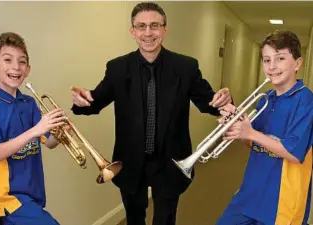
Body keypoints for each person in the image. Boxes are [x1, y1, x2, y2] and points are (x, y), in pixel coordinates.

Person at [71, 2, 232, 225]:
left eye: (154, 26)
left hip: (171, 162)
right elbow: (95, 103)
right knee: (134, 219)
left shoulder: (185, 67)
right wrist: (81, 102)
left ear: (165, 29)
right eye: (141, 26)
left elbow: (209, 102)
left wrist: (224, 101)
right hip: (129, 162)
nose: (148, 33)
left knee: (165, 219)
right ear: (133, 31)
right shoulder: (117, 68)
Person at [216, 30, 313, 225]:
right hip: (250, 192)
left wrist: (251, 132)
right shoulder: (266, 99)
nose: (272, 66)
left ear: (297, 63)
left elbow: (294, 153)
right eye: (266, 60)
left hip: (282, 200)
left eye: (280, 58)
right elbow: (252, 144)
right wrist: (237, 127)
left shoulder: (305, 99)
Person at [0, 32, 67, 225]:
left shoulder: (29, 103)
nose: (16, 67)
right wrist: (36, 129)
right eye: (7, 60)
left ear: (28, 69)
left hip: (33, 192)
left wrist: (59, 131)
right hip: (7, 198)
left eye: (22, 62)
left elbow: (49, 143)